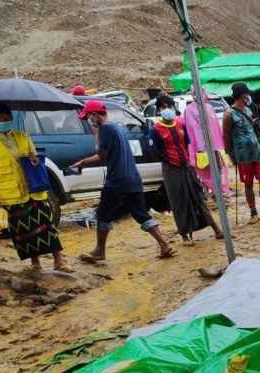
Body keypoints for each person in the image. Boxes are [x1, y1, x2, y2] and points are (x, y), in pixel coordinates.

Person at [72, 100, 174, 263]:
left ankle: (99, 251)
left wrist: (83, 162)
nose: (88, 120)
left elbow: (102, 155)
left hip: (117, 180)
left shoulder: (105, 129)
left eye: (89, 117)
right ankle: (164, 244)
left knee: (103, 215)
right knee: (141, 214)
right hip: (133, 178)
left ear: (96, 115)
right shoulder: (117, 127)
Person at [0, 103, 70, 272]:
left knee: (46, 225)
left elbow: (36, 163)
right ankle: (35, 264)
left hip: (34, 190)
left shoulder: (23, 136)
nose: (2, 122)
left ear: (11, 119)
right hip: (9, 193)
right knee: (24, 231)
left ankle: (59, 260)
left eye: (5, 119)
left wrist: (34, 160)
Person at [149, 95, 224, 245]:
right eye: (163, 107)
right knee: (179, 201)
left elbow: (188, 143)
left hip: (186, 166)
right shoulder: (156, 130)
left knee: (198, 197)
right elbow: (155, 152)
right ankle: (185, 235)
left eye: (168, 106)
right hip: (171, 170)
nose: (166, 110)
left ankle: (216, 229)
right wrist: (171, 161)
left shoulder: (180, 124)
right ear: (158, 110)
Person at [223, 82, 260, 223]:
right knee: (248, 184)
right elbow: (226, 137)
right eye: (247, 94)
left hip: (256, 152)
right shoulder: (228, 115)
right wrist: (231, 156)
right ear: (243, 96)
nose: (249, 96)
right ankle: (253, 213)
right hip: (242, 156)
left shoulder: (248, 111)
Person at [183, 86, 230, 197]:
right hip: (201, 149)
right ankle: (208, 194)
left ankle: (218, 192)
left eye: (203, 91)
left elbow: (216, 126)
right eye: (198, 92)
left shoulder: (209, 107)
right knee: (204, 171)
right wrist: (201, 148)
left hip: (216, 146)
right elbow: (193, 129)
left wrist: (221, 144)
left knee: (218, 169)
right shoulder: (189, 110)